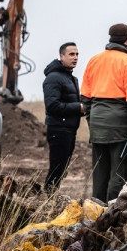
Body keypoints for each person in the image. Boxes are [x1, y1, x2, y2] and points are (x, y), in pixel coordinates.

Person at [80, 23, 127, 203]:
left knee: (100, 173)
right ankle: (114, 212)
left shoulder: (94, 60)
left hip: (97, 125)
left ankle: (97, 209)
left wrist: (93, 123)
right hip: (121, 126)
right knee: (122, 173)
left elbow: (86, 99)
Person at [42, 42, 84, 191]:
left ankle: (52, 197)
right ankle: (49, 198)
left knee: (62, 167)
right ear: (61, 56)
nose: (76, 58)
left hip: (69, 129)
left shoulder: (71, 78)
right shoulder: (54, 78)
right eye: (71, 54)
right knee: (57, 168)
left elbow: (69, 101)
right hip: (59, 129)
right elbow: (52, 105)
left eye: (77, 54)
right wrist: (78, 108)